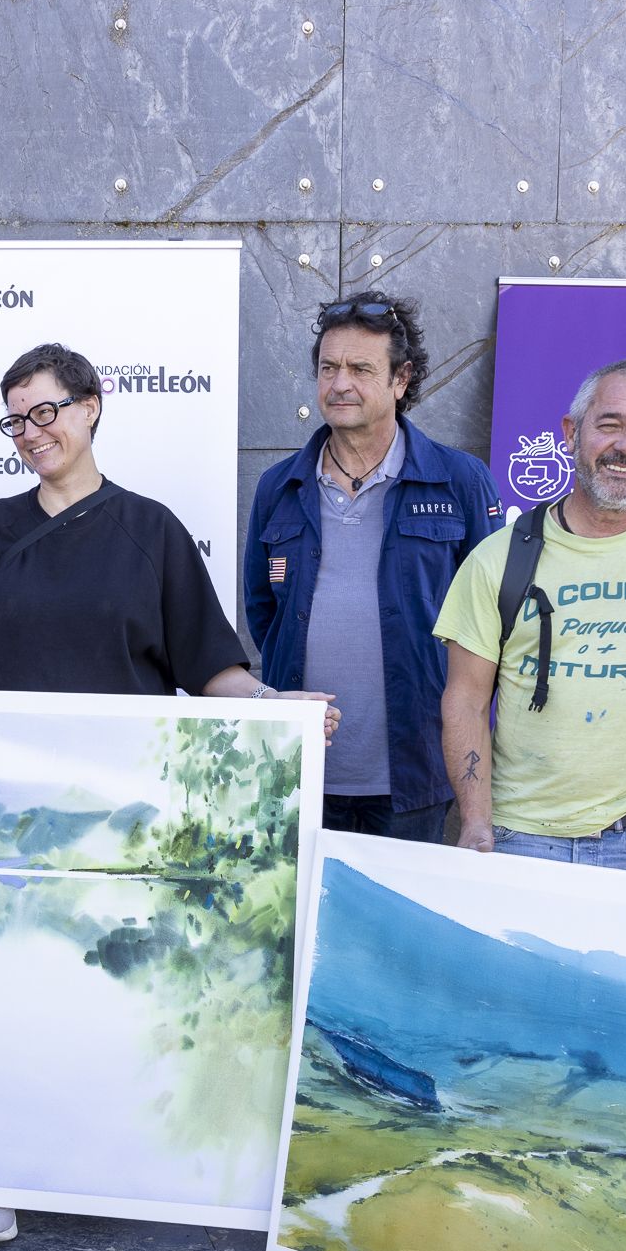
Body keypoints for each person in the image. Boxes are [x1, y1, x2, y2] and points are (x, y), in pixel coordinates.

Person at [0, 341, 337, 1246]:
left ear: (93, 407)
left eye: (47, 411)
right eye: (16, 419)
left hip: (121, 817)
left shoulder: (151, 533)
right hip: (9, 818)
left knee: (109, 984)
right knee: (5, 989)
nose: (32, 433)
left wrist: (283, 708)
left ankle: (113, 1166)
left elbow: (214, 670)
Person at [435, 358, 626, 879]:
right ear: (571, 432)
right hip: (520, 841)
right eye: (610, 424)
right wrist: (474, 822)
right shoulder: (498, 558)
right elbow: (465, 698)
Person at [244, 292, 499, 842]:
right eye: (329, 368)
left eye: (361, 369)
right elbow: (264, 611)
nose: (340, 384)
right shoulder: (279, 486)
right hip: (297, 769)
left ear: (401, 379)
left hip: (415, 771)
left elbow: (494, 619)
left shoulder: (459, 481)